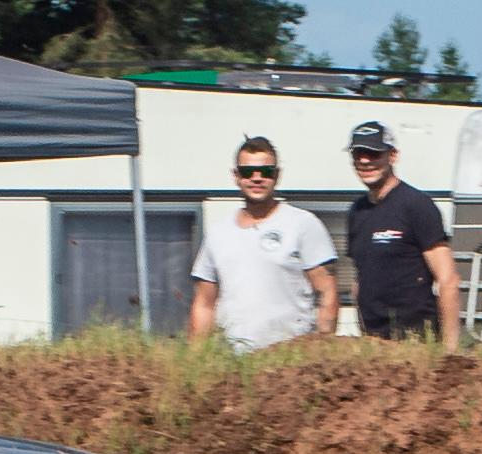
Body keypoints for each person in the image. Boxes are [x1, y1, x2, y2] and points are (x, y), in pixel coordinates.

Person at [189, 137, 335, 353]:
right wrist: (195, 360)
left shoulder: (303, 224)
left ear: (277, 175)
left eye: (265, 171)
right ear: (236, 177)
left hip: (292, 360)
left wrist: (324, 349)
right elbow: (204, 304)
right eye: (248, 172)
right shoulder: (218, 233)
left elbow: (327, 291)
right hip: (235, 362)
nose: (257, 178)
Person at [341, 121, 456, 346]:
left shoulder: (417, 205)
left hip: (416, 341)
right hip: (373, 343)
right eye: (358, 154)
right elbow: (359, 281)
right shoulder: (357, 211)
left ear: (392, 156)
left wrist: (450, 350)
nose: (365, 161)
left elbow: (448, 279)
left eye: (373, 154)